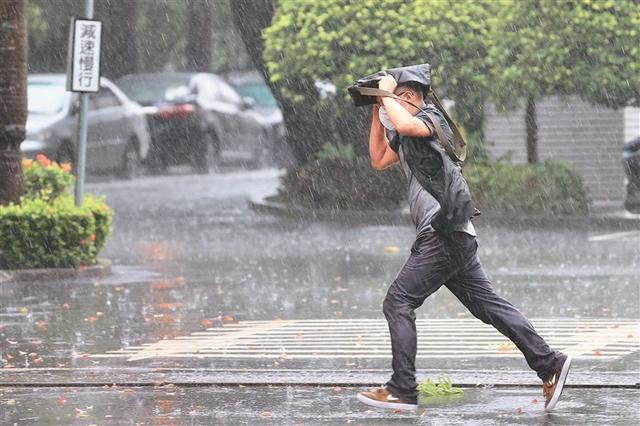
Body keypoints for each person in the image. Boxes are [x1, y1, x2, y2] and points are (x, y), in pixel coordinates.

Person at [356, 74, 572, 412]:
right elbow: (379, 158)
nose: (387, 108)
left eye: (393, 99)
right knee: (488, 306)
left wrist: (386, 94)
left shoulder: (429, 117)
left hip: (442, 233)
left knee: (398, 301)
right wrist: (376, 109)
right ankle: (550, 363)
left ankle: (402, 388)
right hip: (455, 237)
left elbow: (408, 125)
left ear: (409, 96)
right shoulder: (405, 131)